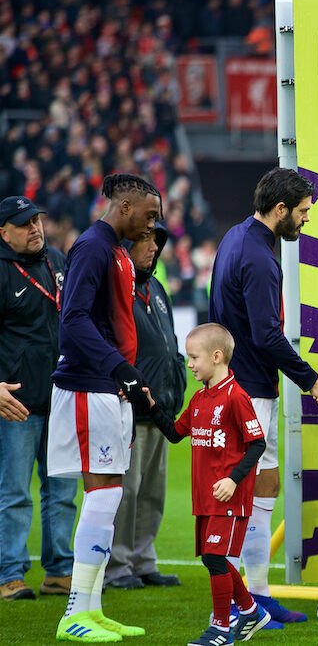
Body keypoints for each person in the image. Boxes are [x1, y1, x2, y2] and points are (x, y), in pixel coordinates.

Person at [210, 167, 318, 624]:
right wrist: (311, 380)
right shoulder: (260, 258)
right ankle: (242, 600)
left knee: (262, 487)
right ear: (280, 209)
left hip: (238, 383)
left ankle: (255, 594)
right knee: (244, 494)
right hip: (250, 389)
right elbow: (266, 334)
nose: (305, 221)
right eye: (302, 213)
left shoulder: (235, 237)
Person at [48, 174, 161, 641]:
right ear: (125, 205)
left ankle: (91, 609)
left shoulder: (115, 250)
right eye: (149, 215)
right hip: (88, 386)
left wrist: (127, 377)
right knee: (102, 495)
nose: (152, 225)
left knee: (109, 494)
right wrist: (120, 368)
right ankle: (74, 613)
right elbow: (71, 320)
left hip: (108, 388)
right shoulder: (93, 247)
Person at [145, 323, 272, 645]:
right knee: (211, 558)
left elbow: (257, 444)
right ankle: (251, 611)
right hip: (205, 496)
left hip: (229, 496)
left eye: (193, 357)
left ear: (216, 357)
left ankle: (220, 629)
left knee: (216, 558)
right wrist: (150, 406)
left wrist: (233, 479)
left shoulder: (236, 397)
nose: (189, 364)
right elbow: (175, 433)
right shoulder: (200, 398)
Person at [0, 196, 76, 602]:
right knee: (14, 492)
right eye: (24, 223)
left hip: (61, 396)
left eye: (37, 221)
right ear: (3, 231)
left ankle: (60, 571)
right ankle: (8, 574)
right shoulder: (1, 271)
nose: (35, 229)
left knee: (62, 488)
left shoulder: (58, 263)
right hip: (15, 402)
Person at [105, 225, 185, 590]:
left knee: (152, 491)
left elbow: (168, 343)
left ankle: (143, 558)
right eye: (147, 241)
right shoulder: (117, 288)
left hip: (160, 408)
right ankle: (118, 564)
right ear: (126, 248)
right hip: (131, 409)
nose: (154, 247)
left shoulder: (156, 288)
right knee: (128, 490)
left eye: (156, 242)